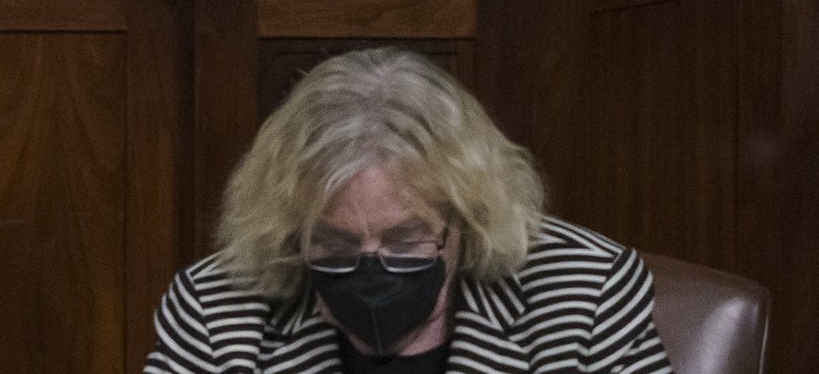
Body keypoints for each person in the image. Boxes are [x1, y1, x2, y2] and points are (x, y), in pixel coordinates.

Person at [146, 49, 669, 372]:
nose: (371, 270)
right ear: (289, 230)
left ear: (468, 218)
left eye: (405, 242)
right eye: (335, 245)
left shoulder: (585, 297)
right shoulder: (217, 314)